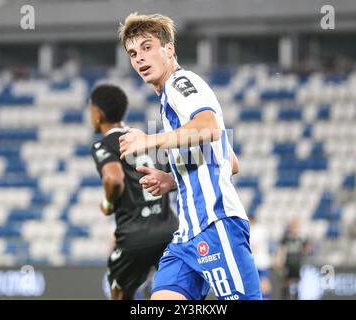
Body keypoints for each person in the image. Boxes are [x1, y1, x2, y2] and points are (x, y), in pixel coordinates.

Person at [117, 13, 263, 300]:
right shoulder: (166, 100)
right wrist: (173, 180)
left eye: (147, 47)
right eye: (133, 53)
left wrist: (149, 141)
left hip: (215, 224)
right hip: (187, 236)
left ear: (169, 49)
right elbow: (231, 162)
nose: (139, 59)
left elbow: (209, 127)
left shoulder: (180, 84)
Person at [89, 84, 178, 300]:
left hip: (134, 236)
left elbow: (113, 178)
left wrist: (108, 204)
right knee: (174, 294)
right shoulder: (145, 139)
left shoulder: (105, 145)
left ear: (98, 115)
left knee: (119, 293)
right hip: (169, 229)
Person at [274, 219, 311, 300]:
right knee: (285, 283)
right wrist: (279, 261)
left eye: (295, 226)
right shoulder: (286, 239)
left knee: (296, 283)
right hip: (287, 263)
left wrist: (306, 249)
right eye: (292, 226)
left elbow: (306, 250)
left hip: (297, 264)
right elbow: (281, 250)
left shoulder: (301, 239)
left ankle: (296, 297)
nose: (294, 228)